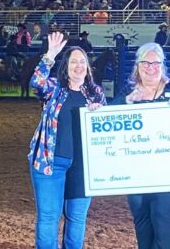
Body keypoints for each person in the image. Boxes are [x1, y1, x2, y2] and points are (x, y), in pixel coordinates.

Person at [29, 31, 106, 249]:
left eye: (82, 62)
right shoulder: (54, 88)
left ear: (88, 67)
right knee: (48, 217)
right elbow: (36, 82)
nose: (79, 66)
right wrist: (50, 55)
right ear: (66, 66)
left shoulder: (96, 94)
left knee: (77, 218)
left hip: (83, 167)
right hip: (50, 162)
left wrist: (98, 113)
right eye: (74, 62)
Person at [112, 42, 170, 249]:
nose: (150, 67)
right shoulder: (127, 93)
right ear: (137, 66)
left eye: (155, 63)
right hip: (136, 170)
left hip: (168, 170)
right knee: (142, 221)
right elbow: (107, 120)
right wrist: (126, 104)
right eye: (145, 63)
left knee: (165, 218)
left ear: (163, 65)